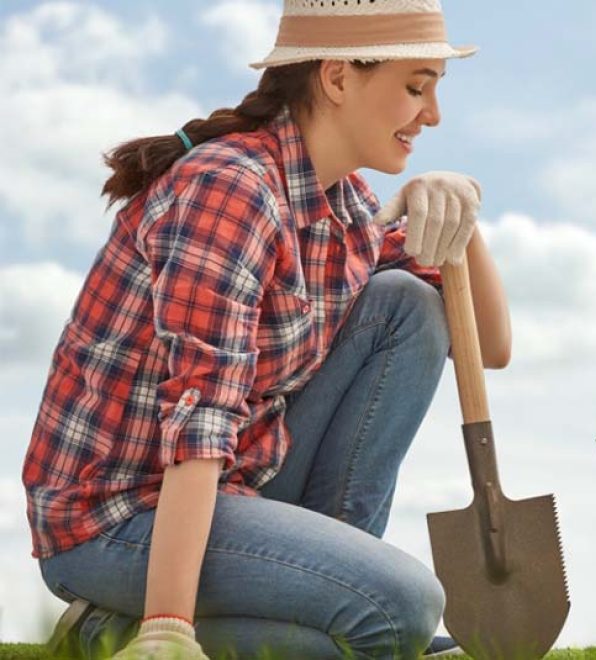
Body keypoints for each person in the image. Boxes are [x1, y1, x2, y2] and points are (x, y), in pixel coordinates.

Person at [22, 1, 509, 657]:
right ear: (337, 79)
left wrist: (462, 223)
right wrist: (170, 627)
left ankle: (350, 607)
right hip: (117, 519)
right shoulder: (231, 187)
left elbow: (491, 347)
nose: (433, 115)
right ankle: (107, 631)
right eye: (416, 88)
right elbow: (201, 413)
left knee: (407, 305)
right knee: (408, 606)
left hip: (234, 489)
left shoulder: (345, 207)